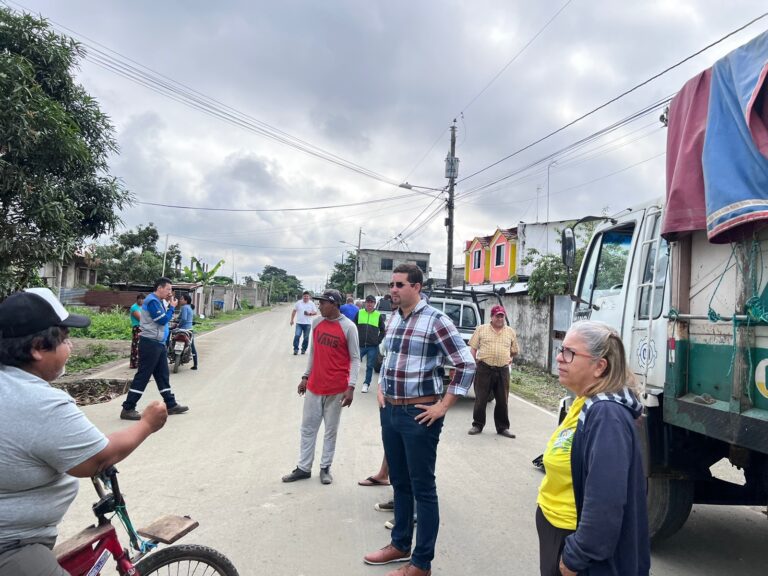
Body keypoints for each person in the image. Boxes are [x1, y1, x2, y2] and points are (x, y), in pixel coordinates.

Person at [0, 288, 167, 576]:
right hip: (12, 544)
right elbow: (98, 458)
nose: (71, 346)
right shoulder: (38, 402)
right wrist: (147, 424)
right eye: (64, 339)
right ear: (38, 348)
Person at [364, 264, 475, 576]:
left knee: (422, 487)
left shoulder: (436, 320)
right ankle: (399, 545)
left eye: (399, 285)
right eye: (392, 284)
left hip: (419, 414)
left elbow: (465, 364)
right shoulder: (393, 318)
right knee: (399, 482)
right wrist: (382, 389)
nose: (393, 290)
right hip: (392, 411)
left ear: (417, 286)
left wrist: (443, 406)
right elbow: (389, 358)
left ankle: (421, 563)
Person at [536, 320, 650, 576]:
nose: (559, 358)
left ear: (599, 366)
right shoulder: (585, 400)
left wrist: (576, 556)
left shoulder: (606, 414)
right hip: (558, 529)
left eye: (569, 353)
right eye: (561, 349)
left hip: (575, 543)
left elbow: (606, 500)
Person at [282, 289, 360, 485]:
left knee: (330, 430)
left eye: (323, 303)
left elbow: (355, 359)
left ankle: (325, 468)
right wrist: (305, 377)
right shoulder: (317, 323)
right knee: (308, 428)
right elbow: (313, 354)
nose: (319, 306)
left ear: (334, 304)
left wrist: (351, 387)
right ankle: (303, 467)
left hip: (336, 389)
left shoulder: (348, 327)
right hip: (314, 386)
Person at [121, 277, 189, 420]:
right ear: (159, 288)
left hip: (158, 343)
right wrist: (171, 307)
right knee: (143, 376)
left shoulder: (158, 301)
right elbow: (162, 320)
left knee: (162, 375)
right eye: (168, 289)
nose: (170, 292)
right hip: (150, 343)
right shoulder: (152, 301)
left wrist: (169, 303)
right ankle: (128, 408)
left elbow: (163, 317)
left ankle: (170, 404)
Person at [467, 304, 519, 438]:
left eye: (502, 316)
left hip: (502, 370)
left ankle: (502, 428)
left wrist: (509, 358)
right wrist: (473, 364)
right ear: (492, 317)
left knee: (502, 400)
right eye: (497, 316)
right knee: (481, 398)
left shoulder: (510, 332)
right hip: (484, 368)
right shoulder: (481, 329)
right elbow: (473, 348)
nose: (500, 318)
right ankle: (477, 425)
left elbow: (514, 351)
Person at [356, 294, 386, 393]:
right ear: (365, 303)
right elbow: (353, 327)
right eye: (368, 302)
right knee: (353, 363)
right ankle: (348, 382)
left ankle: (366, 384)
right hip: (359, 345)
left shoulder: (378, 315)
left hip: (372, 346)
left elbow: (383, 330)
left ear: (374, 304)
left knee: (369, 366)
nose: (369, 304)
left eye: (372, 302)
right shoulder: (359, 313)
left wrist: (378, 341)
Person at [290, 290, 318, 355]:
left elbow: (315, 312)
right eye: (304, 296)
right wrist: (292, 320)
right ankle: (295, 349)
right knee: (297, 335)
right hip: (299, 323)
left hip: (307, 324)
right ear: (302, 296)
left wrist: (310, 313)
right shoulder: (298, 303)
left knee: (306, 337)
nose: (306, 297)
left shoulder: (311, 303)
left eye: (307, 296)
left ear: (309, 297)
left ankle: (303, 349)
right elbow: (294, 311)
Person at [176, 293, 198, 370]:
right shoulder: (189, 308)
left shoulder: (184, 307)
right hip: (190, 329)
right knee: (192, 346)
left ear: (186, 300)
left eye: (182, 299)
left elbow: (184, 319)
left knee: (170, 336)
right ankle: (195, 364)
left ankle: (168, 353)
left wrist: (178, 325)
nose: (180, 300)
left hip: (183, 329)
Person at [129, 293, 145, 369]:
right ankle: (134, 363)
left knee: (142, 346)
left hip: (143, 327)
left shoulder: (143, 307)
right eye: (140, 299)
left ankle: (140, 362)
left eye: (143, 299)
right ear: (137, 299)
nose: (141, 300)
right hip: (137, 327)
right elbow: (140, 318)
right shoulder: (134, 307)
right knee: (136, 345)